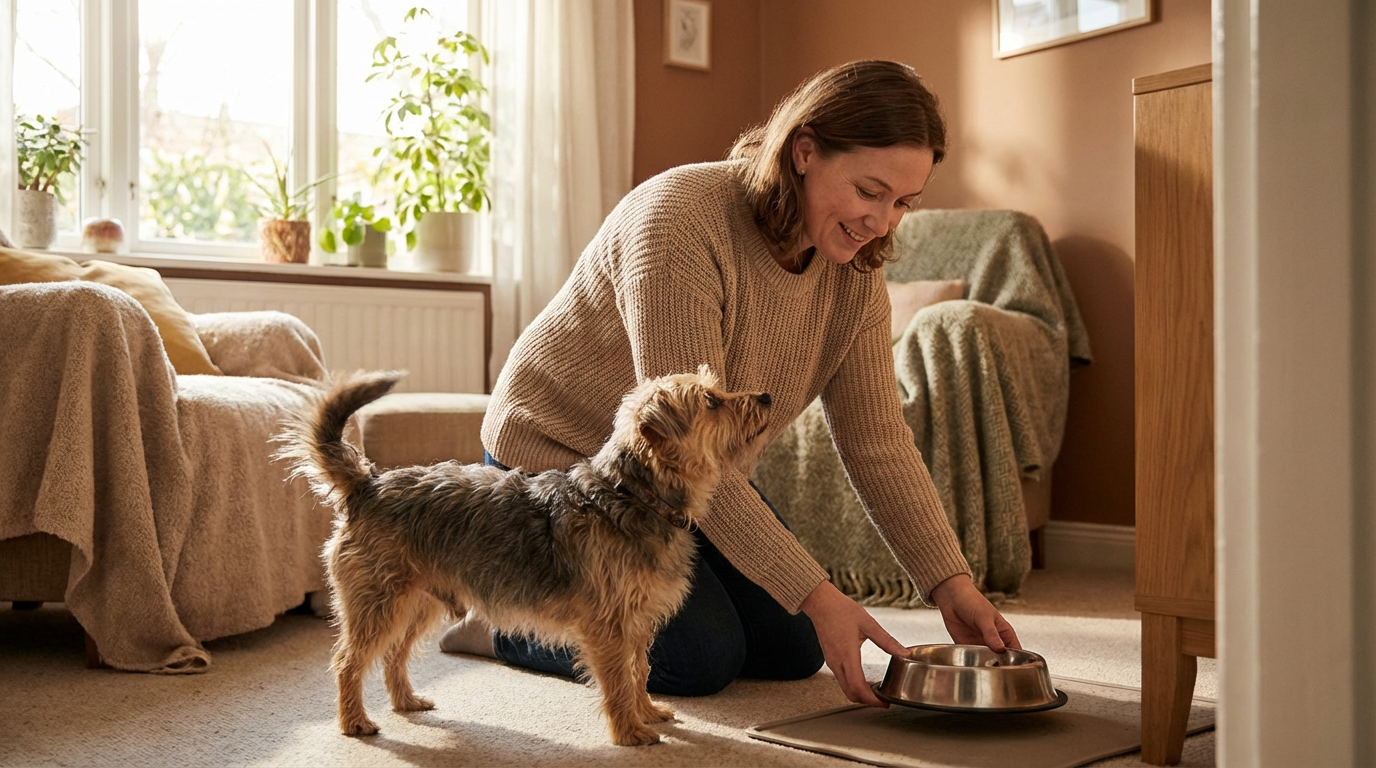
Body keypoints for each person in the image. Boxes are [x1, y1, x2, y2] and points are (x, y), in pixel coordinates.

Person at [440, 59, 1021, 707]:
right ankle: (501, 622)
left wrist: (951, 585)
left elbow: (877, 442)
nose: (882, 222)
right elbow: (684, 443)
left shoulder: (854, 275)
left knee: (795, 647)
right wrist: (820, 595)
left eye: (903, 203)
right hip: (558, 459)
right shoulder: (678, 220)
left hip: (687, 483)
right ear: (805, 152)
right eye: (869, 191)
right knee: (700, 659)